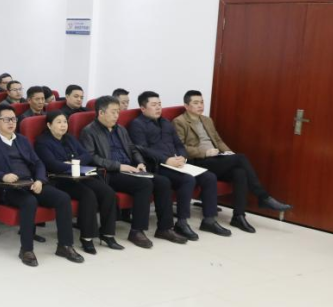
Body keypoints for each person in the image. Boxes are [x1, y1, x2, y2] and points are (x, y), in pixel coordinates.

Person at [0, 105, 81, 266]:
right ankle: (26, 250)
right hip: (8, 187)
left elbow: (38, 163)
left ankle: (65, 246)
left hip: (30, 183)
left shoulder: (22, 140)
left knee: (63, 198)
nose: (11, 123)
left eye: (13, 119)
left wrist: (39, 180)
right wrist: (3, 176)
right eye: (6, 120)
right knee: (29, 201)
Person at [173, 91, 291, 232]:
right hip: (198, 161)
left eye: (202, 102)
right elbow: (180, 147)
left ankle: (238, 216)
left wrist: (229, 154)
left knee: (240, 172)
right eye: (196, 103)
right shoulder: (179, 122)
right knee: (240, 159)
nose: (200, 105)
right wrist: (205, 152)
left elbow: (218, 141)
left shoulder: (207, 120)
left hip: (216, 159)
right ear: (187, 106)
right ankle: (263, 197)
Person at [80, 96, 186, 248]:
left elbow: (132, 149)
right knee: (144, 184)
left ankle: (164, 228)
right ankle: (137, 231)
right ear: (101, 113)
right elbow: (91, 157)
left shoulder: (120, 129)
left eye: (118, 112)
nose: (117, 115)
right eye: (113, 112)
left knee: (163, 182)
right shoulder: (89, 131)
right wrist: (119, 166)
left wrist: (140, 162)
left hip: (130, 169)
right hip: (109, 173)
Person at [130, 91, 231, 240]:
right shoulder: (137, 124)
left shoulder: (166, 122)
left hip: (177, 163)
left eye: (159, 104)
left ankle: (209, 220)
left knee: (209, 177)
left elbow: (179, 144)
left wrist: (183, 156)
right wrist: (166, 160)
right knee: (187, 179)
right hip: (158, 166)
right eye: (154, 105)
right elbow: (142, 149)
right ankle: (181, 222)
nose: (158, 108)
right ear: (143, 108)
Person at [36, 112, 123, 253]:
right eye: (59, 122)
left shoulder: (69, 138)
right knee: (88, 194)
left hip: (80, 176)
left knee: (108, 192)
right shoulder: (42, 142)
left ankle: (107, 234)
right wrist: (72, 165)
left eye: (65, 122)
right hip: (61, 180)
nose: (63, 125)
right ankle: (87, 238)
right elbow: (52, 164)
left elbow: (87, 155)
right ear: (49, 125)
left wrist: (72, 163)